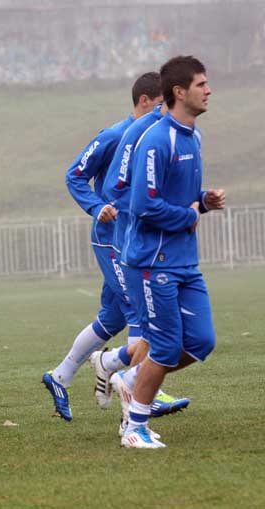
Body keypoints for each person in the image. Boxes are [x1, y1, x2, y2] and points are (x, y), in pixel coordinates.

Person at [41, 72, 176, 421]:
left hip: (134, 238)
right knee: (139, 310)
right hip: (110, 238)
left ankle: (61, 376)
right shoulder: (114, 136)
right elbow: (75, 174)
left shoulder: (155, 137)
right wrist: (97, 206)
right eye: (162, 104)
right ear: (145, 101)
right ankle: (143, 392)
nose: (167, 111)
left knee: (113, 316)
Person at [119, 55, 224, 448]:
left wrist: (203, 200)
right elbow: (143, 205)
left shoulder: (193, 136)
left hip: (184, 261)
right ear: (179, 92)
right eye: (201, 84)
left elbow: (180, 199)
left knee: (200, 341)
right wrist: (189, 213)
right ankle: (135, 428)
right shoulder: (156, 140)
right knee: (163, 346)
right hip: (151, 262)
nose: (208, 90)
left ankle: (131, 379)